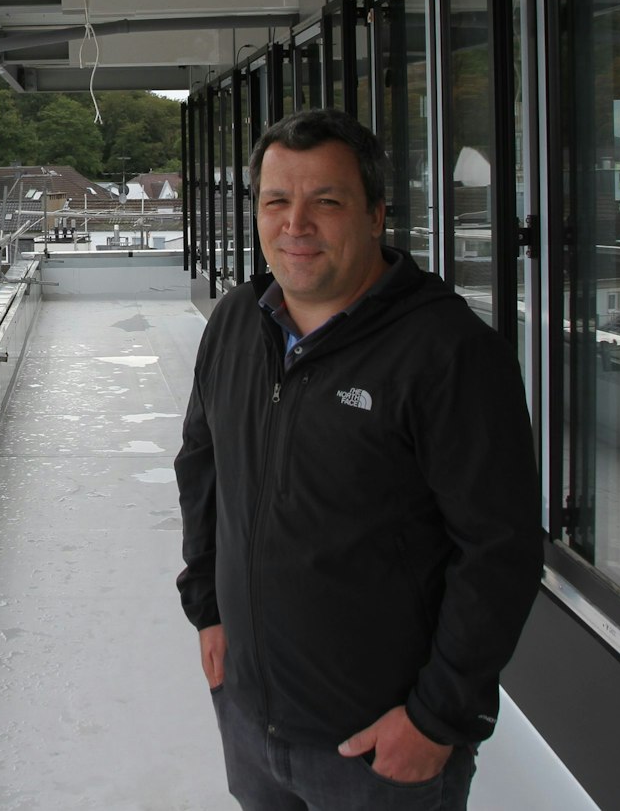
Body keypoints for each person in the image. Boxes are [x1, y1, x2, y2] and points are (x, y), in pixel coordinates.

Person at [175, 108, 542, 810]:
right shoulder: (236, 323)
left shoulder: (449, 354)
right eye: (276, 201)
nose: (296, 224)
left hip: (378, 749)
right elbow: (202, 468)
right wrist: (208, 609)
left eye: (327, 202)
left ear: (376, 215)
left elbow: (500, 550)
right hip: (250, 719)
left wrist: (438, 718)